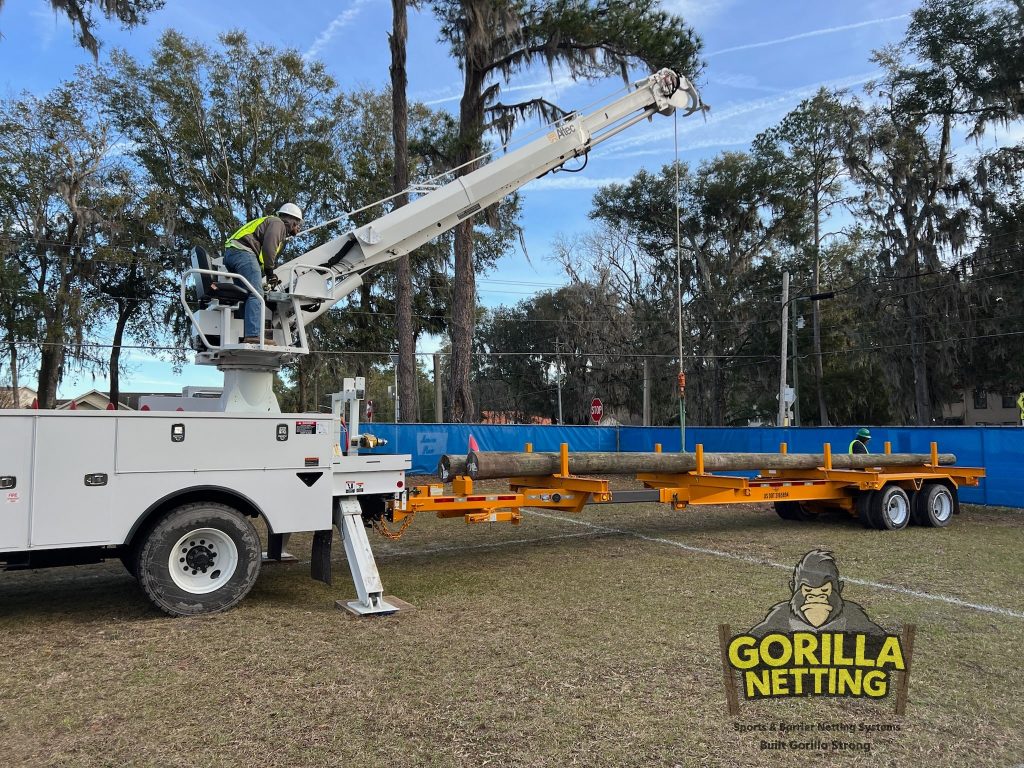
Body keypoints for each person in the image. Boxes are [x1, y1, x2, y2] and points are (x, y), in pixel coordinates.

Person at [222, 203, 303, 343]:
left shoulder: (270, 222)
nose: (298, 228)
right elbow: (269, 248)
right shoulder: (278, 224)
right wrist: (270, 272)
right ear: (291, 221)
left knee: (245, 295)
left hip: (233, 253)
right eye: (297, 224)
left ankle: (244, 334)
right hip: (244, 253)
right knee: (256, 294)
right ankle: (254, 335)